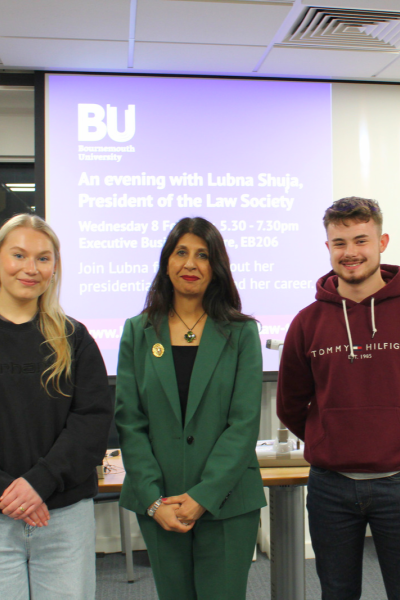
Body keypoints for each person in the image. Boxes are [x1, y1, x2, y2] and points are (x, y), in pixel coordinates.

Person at [115, 216, 266, 600]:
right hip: (161, 502)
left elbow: (244, 422)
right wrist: (152, 499)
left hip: (227, 501)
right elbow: (130, 421)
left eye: (203, 255)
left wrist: (203, 495)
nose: (190, 264)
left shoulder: (241, 333)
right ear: (167, 261)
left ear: (216, 267)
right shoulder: (138, 330)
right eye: (181, 252)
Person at [277, 196, 400, 600]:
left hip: (398, 483)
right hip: (331, 489)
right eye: (339, 243)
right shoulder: (307, 322)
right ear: (327, 247)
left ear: (382, 242)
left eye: (360, 240)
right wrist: (329, 433)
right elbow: (291, 404)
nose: (350, 253)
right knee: (337, 593)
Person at [0, 214, 112, 600]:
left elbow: (91, 422)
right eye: (18, 255)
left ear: (54, 268)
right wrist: (12, 493)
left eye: (43, 258)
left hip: (62, 517)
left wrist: (39, 482)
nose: (31, 268)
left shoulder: (74, 338)